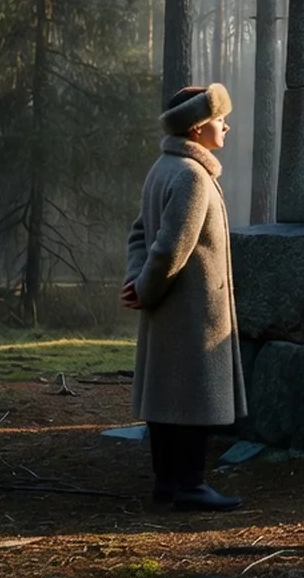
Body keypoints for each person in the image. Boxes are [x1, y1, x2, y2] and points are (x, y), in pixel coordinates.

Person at [122, 84, 248, 511]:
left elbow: (139, 234)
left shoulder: (163, 167)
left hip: (167, 309)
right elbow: (171, 248)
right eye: (219, 119)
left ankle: (168, 484)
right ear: (197, 127)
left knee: (166, 398)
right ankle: (191, 486)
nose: (226, 126)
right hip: (193, 312)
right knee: (193, 398)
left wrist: (136, 281)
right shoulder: (193, 178)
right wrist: (144, 285)